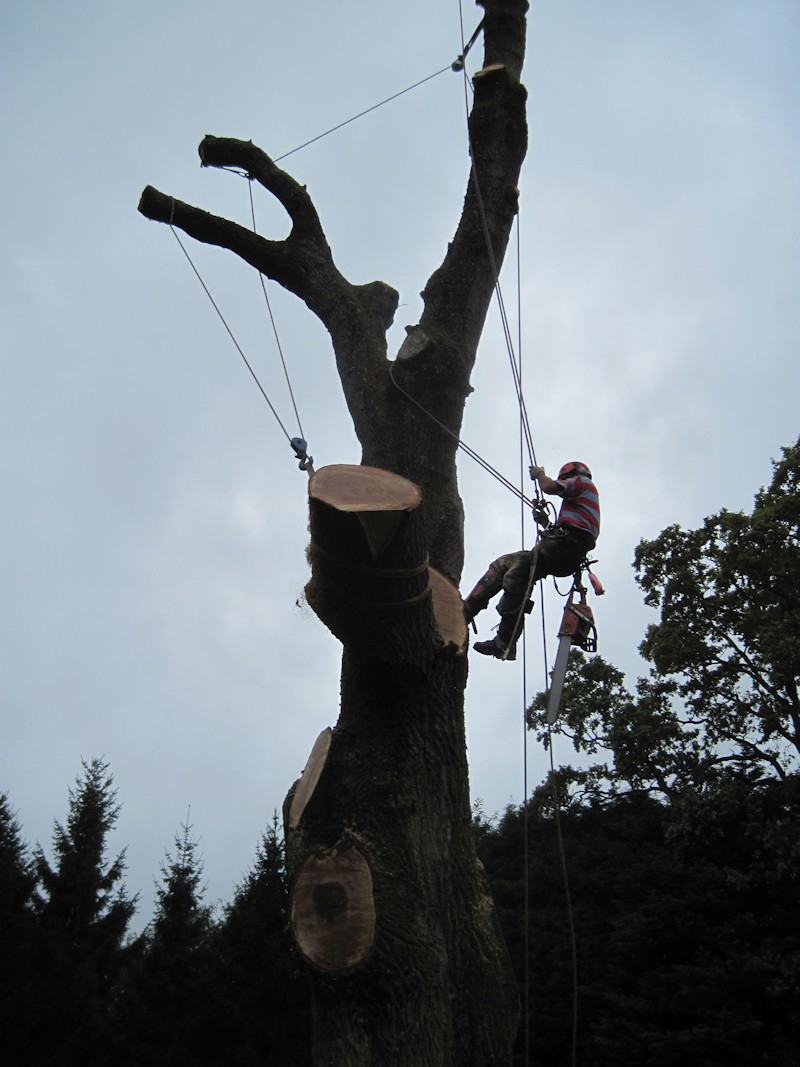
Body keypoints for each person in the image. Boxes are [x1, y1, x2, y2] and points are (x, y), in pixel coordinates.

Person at [464, 461, 600, 660]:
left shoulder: (583, 483)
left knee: (518, 574)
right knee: (503, 564)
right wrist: (544, 521)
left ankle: (505, 641)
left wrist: (540, 474)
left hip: (567, 548)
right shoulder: (579, 502)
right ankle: (467, 609)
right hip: (562, 547)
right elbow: (566, 526)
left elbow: (549, 487)